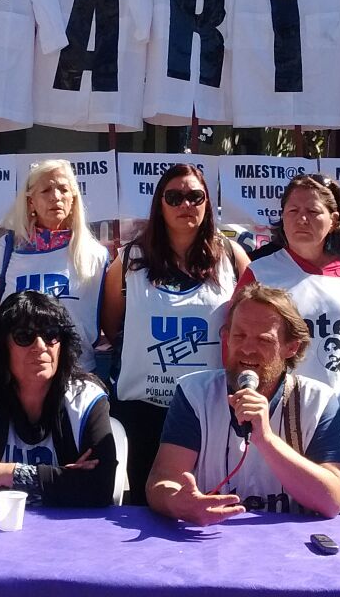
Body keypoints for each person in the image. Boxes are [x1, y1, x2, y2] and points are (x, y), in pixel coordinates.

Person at [100, 163, 249, 504]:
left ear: (207, 203)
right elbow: (113, 327)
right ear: (159, 203)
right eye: (175, 196)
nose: (186, 205)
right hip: (143, 408)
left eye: (195, 196)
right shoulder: (129, 260)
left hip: (208, 409)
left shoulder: (232, 256)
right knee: (144, 504)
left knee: (207, 501)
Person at [147, 283, 340, 524]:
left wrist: (266, 439)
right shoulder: (194, 393)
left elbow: (332, 501)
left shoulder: (317, 400)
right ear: (226, 339)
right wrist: (177, 503)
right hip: (209, 540)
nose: (247, 349)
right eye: (239, 336)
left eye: (263, 340)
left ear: (291, 347)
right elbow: (163, 479)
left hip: (289, 546)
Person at [236, 173, 340, 454]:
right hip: (278, 417)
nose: (302, 219)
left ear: (333, 219)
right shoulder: (260, 272)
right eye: (293, 211)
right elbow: (234, 343)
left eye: (313, 211)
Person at [0, 291, 117, 507]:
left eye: (51, 334)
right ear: (2, 347)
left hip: (72, 532)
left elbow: (100, 488)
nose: (40, 346)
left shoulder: (86, 399)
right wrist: (61, 481)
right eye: (24, 336)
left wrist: (4, 474)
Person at [0, 159, 109, 373]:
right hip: (19, 380)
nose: (56, 197)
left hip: (76, 376)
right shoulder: (5, 251)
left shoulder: (96, 255)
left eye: (63, 189)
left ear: (74, 198)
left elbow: (109, 321)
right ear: (30, 201)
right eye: (46, 190)